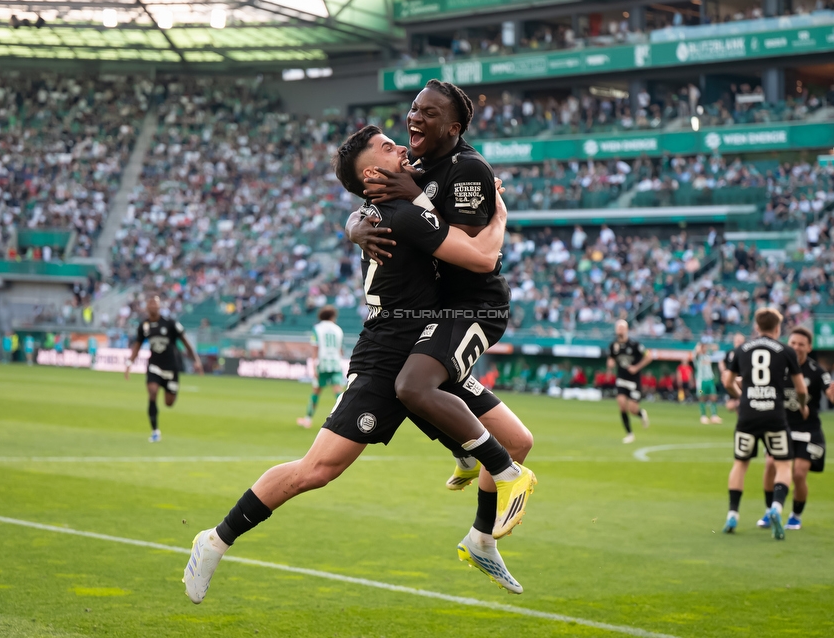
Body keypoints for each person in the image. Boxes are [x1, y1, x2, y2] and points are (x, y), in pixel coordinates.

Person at [183, 127, 536, 605]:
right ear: (372, 173)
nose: (402, 149)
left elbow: (428, 196)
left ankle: (480, 537)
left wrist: (356, 221)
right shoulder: (400, 214)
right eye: (388, 148)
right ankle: (214, 540)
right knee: (316, 470)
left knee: (516, 441)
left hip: (427, 351)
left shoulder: (389, 208)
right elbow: (480, 257)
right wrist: (498, 210)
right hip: (387, 358)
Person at [349, 81, 538, 569]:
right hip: (439, 312)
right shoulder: (417, 165)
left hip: (475, 305)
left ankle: (493, 465)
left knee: (412, 384)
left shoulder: (468, 168)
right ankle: (480, 532)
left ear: (453, 127)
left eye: (429, 113)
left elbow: (476, 248)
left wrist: (417, 199)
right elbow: (372, 200)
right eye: (414, 108)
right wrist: (356, 225)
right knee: (510, 434)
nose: (415, 118)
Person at [722, 308, 807, 540]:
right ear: (778, 328)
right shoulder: (786, 351)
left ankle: (732, 514)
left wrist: (741, 396)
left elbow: (728, 382)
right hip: (775, 416)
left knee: (740, 464)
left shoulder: (742, 350)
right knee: (782, 465)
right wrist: (803, 405)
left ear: (757, 328)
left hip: (748, 415)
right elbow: (801, 389)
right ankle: (776, 509)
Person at [756, 327, 834, 530]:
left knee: (799, 474)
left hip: (808, 430)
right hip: (781, 427)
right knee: (769, 465)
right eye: (793, 343)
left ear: (809, 347)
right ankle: (771, 511)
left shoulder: (817, 371)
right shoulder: (777, 367)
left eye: (801, 344)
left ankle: (795, 515)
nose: (796, 347)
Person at [124, 295, 204, 442]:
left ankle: (169, 390)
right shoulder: (144, 326)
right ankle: (155, 431)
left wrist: (196, 360)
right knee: (152, 392)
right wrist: (129, 364)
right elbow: (137, 346)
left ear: (159, 306)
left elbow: (185, 342)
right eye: (150, 303)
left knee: (169, 402)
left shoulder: (170, 323)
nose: (153, 306)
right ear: (147, 307)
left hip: (171, 368)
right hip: (154, 366)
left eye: (155, 303)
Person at [297, 306, 345, 429]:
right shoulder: (338, 329)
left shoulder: (317, 329)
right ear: (332, 316)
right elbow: (340, 350)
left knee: (316, 391)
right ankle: (346, 418)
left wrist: (313, 366)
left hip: (322, 363)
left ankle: (307, 420)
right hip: (335, 362)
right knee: (338, 391)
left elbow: (315, 349)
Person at [607, 319, 651, 444]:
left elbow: (649, 356)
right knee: (621, 403)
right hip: (621, 379)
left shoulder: (635, 345)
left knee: (632, 409)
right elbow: (611, 359)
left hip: (634, 381)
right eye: (618, 327)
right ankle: (629, 434)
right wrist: (610, 365)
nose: (620, 329)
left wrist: (636, 368)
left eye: (622, 327)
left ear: (626, 329)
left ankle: (641, 414)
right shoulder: (613, 346)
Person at [720, 333, 747, 411]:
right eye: (736, 340)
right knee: (730, 406)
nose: (738, 342)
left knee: (740, 404)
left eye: (739, 340)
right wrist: (724, 372)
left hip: (743, 381)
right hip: (732, 381)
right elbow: (721, 362)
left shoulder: (746, 352)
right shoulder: (730, 352)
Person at [695, 343, 721, 424]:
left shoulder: (707, 355)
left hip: (710, 380)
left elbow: (716, 347)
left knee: (713, 396)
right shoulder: (697, 357)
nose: (705, 349)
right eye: (704, 347)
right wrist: (699, 346)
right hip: (701, 382)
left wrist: (710, 346)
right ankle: (703, 416)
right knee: (701, 397)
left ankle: (714, 416)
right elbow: (697, 352)